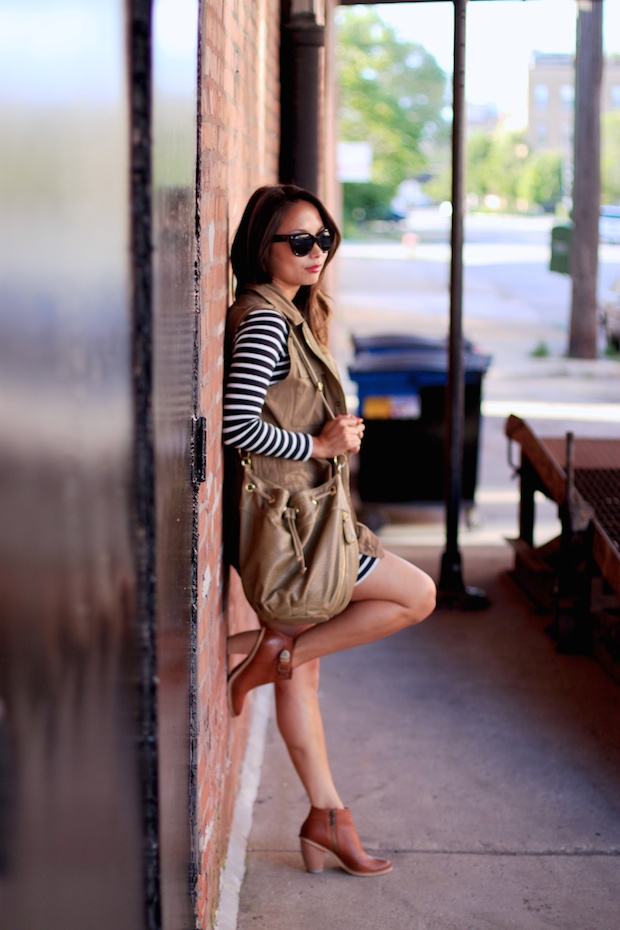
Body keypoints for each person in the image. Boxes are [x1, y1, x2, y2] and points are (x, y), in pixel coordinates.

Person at [223, 184, 436, 877]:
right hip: (297, 531)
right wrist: (318, 446)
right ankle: (270, 653)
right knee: (418, 595)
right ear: (265, 247)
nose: (316, 252)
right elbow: (235, 426)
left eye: (324, 239)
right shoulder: (262, 321)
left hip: (315, 521)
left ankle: (327, 817)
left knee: (304, 676)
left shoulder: (288, 313)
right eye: (300, 241)